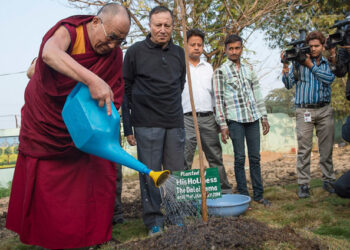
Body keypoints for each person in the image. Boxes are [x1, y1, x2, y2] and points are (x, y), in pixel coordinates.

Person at [6, 4, 130, 249]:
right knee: (47, 188)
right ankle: (47, 238)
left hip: (82, 125)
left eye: (121, 41)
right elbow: (49, 54)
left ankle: (91, 237)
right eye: (112, 37)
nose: (114, 45)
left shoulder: (113, 55)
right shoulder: (70, 31)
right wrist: (92, 79)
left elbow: (112, 94)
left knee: (95, 176)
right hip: (47, 122)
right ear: (96, 23)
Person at [123, 6, 186, 236]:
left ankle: (176, 216)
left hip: (174, 121)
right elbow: (126, 89)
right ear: (149, 25)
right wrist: (128, 126)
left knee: (176, 173)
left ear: (172, 26)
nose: (162, 30)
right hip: (145, 122)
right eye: (158, 25)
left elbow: (180, 84)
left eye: (167, 25)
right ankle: (154, 221)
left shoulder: (179, 53)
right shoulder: (135, 52)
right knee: (150, 174)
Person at [213, 34, 271, 206]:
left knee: (255, 157)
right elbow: (218, 99)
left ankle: (259, 195)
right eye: (230, 48)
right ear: (225, 50)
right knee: (239, 158)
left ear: (241, 49)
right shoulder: (220, 72)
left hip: (252, 117)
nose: (234, 51)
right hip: (234, 119)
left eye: (237, 48)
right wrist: (223, 124)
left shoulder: (249, 69)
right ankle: (244, 195)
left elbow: (257, 94)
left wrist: (264, 117)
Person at [282, 31, 336, 199]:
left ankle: (328, 180)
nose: (313, 49)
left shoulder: (328, 63)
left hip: (324, 110)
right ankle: (303, 184)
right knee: (304, 149)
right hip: (304, 110)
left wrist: (310, 65)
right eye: (310, 46)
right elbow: (288, 84)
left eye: (316, 46)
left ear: (322, 46)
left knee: (326, 149)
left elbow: (329, 79)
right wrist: (285, 66)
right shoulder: (299, 63)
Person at [182, 28, 232, 193]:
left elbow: (216, 96)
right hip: (186, 118)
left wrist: (219, 119)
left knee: (215, 156)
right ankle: (186, 195)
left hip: (208, 118)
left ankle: (224, 191)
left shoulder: (209, 68)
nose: (196, 47)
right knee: (185, 158)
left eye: (200, 45)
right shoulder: (180, 67)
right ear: (186, 45)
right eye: (192, 44)